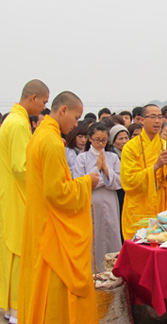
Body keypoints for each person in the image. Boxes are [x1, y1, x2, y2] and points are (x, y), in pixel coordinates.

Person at [19, 91, 100, 324]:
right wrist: (87, 182)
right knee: (55, 292)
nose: (76, 124)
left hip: (39, 220)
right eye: (76, 118)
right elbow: (57, 193)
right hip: (52, 228)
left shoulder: (40, 135)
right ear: (63, 111)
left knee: (40, 285)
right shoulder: (52, 141)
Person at [0, 80, 49, 324]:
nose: (43, 107)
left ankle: (11, 308)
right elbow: (21, 167)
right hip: (18, 194)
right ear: (32, 97)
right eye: (43, 102)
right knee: (20, 250)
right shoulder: (18, 123)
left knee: (11, 251)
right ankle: (18, 310)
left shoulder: (12, 120)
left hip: (10, 193)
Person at [120, 104, 167, 239]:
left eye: (159, 117)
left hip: (163, 206)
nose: (157, 121)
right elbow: (128, 180)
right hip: (140, 207)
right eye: (152, 117)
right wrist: (156, 166)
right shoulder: (130, 148)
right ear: (141, 120)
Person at [74, 122, 122, 272]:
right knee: (95, 237)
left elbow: (119, 182)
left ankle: (114, 269)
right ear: (90, 139)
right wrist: (98, 168)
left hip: (110, 200)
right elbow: (80, 181)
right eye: (97, 140)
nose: (100, 144)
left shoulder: (112, 157)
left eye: (104, 140)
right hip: (91, 201)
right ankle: (94, 270)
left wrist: (106, 170)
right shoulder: (82, 158)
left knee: (112, 233)